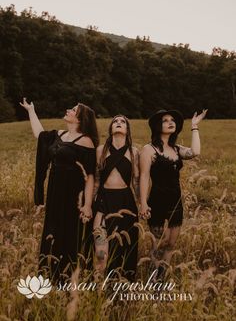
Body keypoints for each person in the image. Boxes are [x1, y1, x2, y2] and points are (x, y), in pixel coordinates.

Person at [20, 98, 98, 283]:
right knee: (54, 231)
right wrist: (31, 110)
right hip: (55, 193)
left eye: (73, 109)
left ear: (80, 119)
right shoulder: (58, 135)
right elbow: (39, 135)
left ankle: (73, 279)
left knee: (72, 234)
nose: (68, 110)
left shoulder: (86, 141)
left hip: (74, 197)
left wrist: (87, 205)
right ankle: (52, 276)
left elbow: (90, 177)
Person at [139, 109, 207, 278]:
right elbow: (144, 177)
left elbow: (195, 152)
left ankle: (162, 278)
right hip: (156, 201)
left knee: (170, 243)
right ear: (157, 126)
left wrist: (194, 127)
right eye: (165, 120)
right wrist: (143, 202)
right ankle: (154, 279)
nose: (171, 122)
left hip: (176, 202)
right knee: (158, 244)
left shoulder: (176, 149)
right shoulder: (149, 149)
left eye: (172, 120)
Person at [93, 115, 139, 281]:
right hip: (103, 201)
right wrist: (88, 205)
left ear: (127, 130)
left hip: (126, 202)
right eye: (115, 121)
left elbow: (136, 182)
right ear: (110, 128)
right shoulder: (101, 150)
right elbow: (97, 180)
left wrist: (143, 204)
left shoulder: (134, 152)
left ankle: (120, 286)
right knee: (100, 252)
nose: (119, 123)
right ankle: (97, 289)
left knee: (124, 247)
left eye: (123, 122)